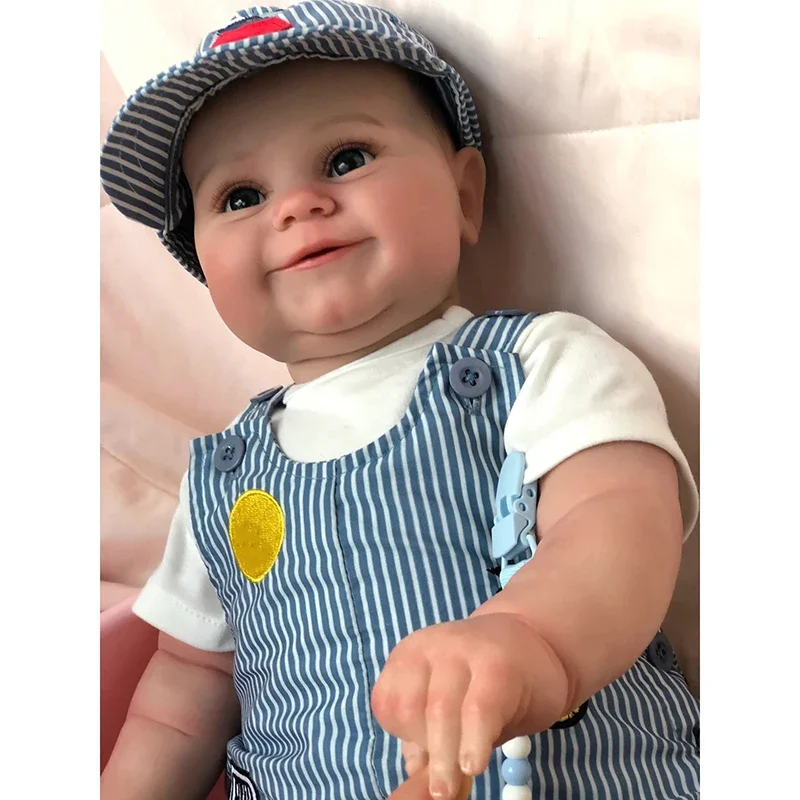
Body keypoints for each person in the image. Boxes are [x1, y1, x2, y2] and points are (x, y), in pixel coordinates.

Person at [99, 3, 700, 799]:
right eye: (240, 196)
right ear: (204, 271)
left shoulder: (538, 362)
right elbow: (182, 697)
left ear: (465, 195)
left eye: (346, 158)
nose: (295, 206)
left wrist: (533, 637)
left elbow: (620, 519)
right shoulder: (220, 476)